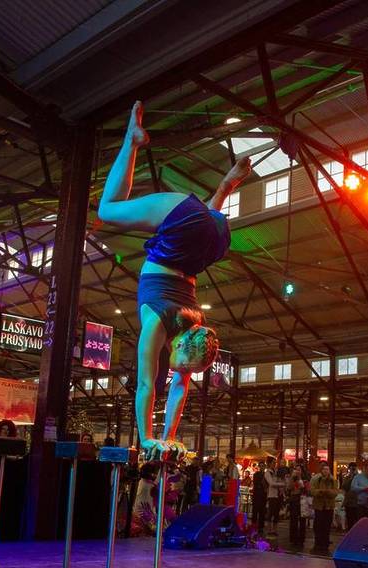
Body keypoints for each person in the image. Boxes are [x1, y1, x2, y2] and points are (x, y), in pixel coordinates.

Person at [98, 101, 249, 461]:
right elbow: (147, 384)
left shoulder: (196, 330)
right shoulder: (156, 322)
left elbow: (180, 385)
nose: (177, 371)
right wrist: (148, 439)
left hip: (211, 238)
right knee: (107, 210)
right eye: (178, 363)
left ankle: (226, 185)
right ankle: (131, 141)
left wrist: (169, 440)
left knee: (197, 229)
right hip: (182, 230)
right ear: (179, 346)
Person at [286, 471, 306, 548]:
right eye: (296, 471)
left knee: (302, 520)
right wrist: (292, 479)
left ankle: (301, 539)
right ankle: (293, 538)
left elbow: (306, 489)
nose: (297, 472)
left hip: (302, 500)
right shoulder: (292, 479)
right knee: (293, 519)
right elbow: (289, 488)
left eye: (299, 470)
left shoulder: (304, 479)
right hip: (294, 500)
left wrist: (302, 485)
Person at [251, 462, 268, 533]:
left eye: (263, 466)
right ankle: (253, 525)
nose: (262, 467)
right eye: (260, 466)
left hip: (263, 495)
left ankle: (261, 527)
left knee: (262, 511)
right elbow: (256, 483)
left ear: (264, 467)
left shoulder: (266, 474)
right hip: (257, 494)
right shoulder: (256, 474)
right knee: (255, 511)